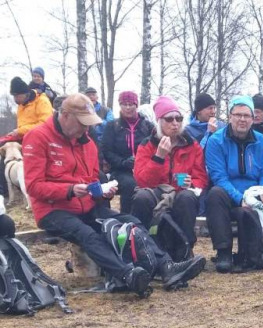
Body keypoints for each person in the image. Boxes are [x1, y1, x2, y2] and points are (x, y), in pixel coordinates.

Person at [23, 94, 205, 297]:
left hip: (85, 206)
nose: (86, 129)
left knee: (130, 221)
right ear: (64, 116)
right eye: (82, 123)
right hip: (53, 210)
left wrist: (100, 192)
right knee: (87, 234)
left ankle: (167, 267)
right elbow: (34, 186)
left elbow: (91, 179)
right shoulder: (38, 137)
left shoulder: (88, 143)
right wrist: (70, 190)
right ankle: (126, 274)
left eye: (88, 124)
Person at [204, 95, 263, 272]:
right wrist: (241, 199)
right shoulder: (215, 141)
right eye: (238, 114)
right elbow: (219, 177)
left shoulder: (262, 141)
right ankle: (224, 252)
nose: (242, 119)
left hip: (257, 194)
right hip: (231, 197)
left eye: (246, 115)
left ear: (252, 118)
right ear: (230, 116)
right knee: (215, 193)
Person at [131, 95, 208, 260]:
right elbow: (142, 181)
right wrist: (159, 157)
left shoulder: (191, 145)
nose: (175, 123)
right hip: (156, 192)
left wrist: (192, 183)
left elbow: (201, 177)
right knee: (142, 197)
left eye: (179, 118)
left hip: (181, 192)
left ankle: (184, 250)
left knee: (187, 197)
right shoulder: (147, 145)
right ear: (159, 121)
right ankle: (144, 249)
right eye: (169, 119)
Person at [100, 91, 154, 213]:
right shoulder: (112, 126)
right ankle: (127, 219)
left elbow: (153, 148)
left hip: (145, 168)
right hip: (120, 170)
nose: (128, 107)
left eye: (131, 104)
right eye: (124, 104)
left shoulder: (147, 126)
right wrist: (123, 162)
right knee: (130, 184)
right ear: (120, 105)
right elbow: (106, 150)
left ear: (136, 105)